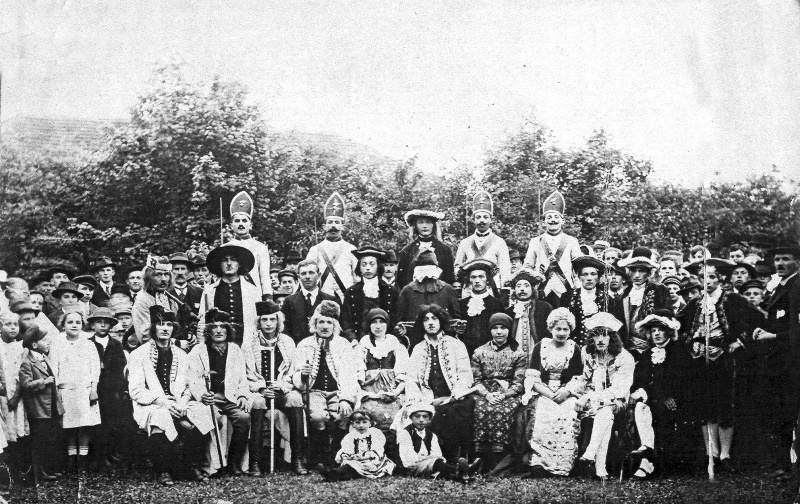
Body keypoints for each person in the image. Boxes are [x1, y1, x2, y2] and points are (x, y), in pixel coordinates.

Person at [680, 257, 761, 474]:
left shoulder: (733, 300)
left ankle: (725, 454)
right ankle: (711, 453)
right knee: (705, 404)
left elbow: (756, 318)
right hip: (700, 359)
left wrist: (740, 341)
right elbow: (681, 327)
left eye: (711, 277)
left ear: (720, 279)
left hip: (724, 357)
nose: (706, 282)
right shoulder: (695, 303)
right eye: (702, 277)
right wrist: (692, 342)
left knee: (725, 403)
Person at [128, 305, 213, 485]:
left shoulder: (182, 355)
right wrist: (164, 403)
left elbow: (190, 386)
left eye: (169, 324)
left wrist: (182, 402)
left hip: (179, 402)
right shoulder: (138, 354)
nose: (165, 328)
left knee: (201, 412)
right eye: (160, 324)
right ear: (153, 328)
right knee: (160, 417)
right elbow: (136, 390)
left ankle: (190, 465)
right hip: (151, 403)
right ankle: (163, 470)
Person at [749, 240, 800, 481]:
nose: (780, 263)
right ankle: (783, 464)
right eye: (777, 259)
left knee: (790, 413)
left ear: (797, 262)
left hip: (793, 361)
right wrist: (763, 330)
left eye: (785, 259)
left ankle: (791, 465)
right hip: (778, 362)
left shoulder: (797, 286)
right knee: (779, 413)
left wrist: (774, 336)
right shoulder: (781, 286)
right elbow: (776, 320)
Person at [241, 300, 307, 475]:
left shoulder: (288, 342)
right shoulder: (248, 344)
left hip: (282, 389)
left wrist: (281, 387)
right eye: (264, 320)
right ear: (258, 322)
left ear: (278, 321)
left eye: (272, 319)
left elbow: (293, 372)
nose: (269, 324)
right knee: (257, 403)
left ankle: (297, 459)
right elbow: (246, 375)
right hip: (259, 391)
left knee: (295, 399)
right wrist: (262, 389)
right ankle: (255, 462)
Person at [292, 301, 359, 466]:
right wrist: (303, 375)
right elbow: (296, 377)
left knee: (344, 415)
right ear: (314, 324)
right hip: (314, 392)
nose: (325, 326)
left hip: (337, 392)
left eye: (329, 322)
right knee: (318, 417)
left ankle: (336, 454)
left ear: (335, 325)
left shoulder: (343, 345)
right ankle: (319, 456)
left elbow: (349, 375)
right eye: (321, 322)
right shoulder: (304, 345)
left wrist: (345, 399)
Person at [188, 308, 253, 476]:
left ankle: (233, 462)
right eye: (214, 327)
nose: (218, 330)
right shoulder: (198, 351)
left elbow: (242, 378)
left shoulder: (235, 350)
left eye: (222, 326)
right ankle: (208, 463)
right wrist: (202, 394)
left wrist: (243, 395)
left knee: (243, 418)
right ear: (208, 331)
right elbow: (193, 378)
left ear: (228, 329)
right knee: (213, 418)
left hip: (229, 398)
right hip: (209, 399)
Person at [628, 309, 691, 480]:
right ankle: (647, 453)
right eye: (653, 330)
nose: (656, 334)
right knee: (640, 407)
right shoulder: (647, 354)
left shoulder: (679, 352)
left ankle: (649, 462)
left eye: (660, 330)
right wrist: (645, 392)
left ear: (669, 331)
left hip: (677, 400)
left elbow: (682, 381)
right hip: (654, 398)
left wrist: (667, 396)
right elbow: (641, 380)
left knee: (660, 411)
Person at [406, 304, 473, 462]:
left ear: (441, 321)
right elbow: (411, 380)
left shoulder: (456, 345)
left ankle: (458, 459)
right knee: (435, 414)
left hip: (455, 398)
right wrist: (423, 401)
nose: (430, 323)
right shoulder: (418, 349)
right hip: (428, 399)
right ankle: (442, 461)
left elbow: (465, 374)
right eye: (426, 319)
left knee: (454, 413)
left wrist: (453, 396)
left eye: (434, 318)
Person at [523, 308, 584, 477]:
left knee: (568, 412)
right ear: (550, 328)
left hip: (566, 392)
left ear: (570, 330)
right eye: (558, 329)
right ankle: (540, 463)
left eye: (566, 329)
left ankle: (562, 463)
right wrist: (549, 394)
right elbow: (532, 377)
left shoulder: (574, 348)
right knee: (544, 413)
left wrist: (566, 391)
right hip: (544, 390)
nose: (562, 333)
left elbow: (579, 377)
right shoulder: (540, 346)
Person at [575, 313, 636, 480]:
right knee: (605, 415)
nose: (600, 339)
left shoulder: (624, 358)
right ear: (591, 338)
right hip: (594, 401)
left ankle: (591, 452)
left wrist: (589, 397)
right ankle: (600, 470)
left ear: (613, 337)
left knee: (607, 408)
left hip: (617, 401)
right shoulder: (588, 354)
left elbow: (619, 389)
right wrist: (581, 394)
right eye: (596, 335)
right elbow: (585, 379)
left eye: (605, 335)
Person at [470, 312, 526, 473]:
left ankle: (500, 459)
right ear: (490, 330)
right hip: (484, 392)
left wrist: (504, 395)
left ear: (509, 330)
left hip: (508, 392)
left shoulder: (518, 353)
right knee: (480, 408)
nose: (499, 332)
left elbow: (519, 382)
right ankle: (480, 458)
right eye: (495, 328)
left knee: (504, 410)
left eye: (503, 328)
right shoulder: (479, 352)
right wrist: (486, 394)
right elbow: (475, 380)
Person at [50, 310, 101, 474]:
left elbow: (95, 369)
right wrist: (57, 393)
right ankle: (71, 458)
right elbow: (54, 369)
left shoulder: (88, 344)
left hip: (85, 391)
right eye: (70, 322)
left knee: (85, 425)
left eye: (78, 322)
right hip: (66, 391)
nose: (74, 325)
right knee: (69, 426)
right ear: (63, 325)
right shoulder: (57, 344)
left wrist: (93, 390)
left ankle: (83, 459)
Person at [356, 308, 408, 462]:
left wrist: (395, 393)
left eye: (381, 322)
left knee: (395, 416)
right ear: (369, 325)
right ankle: (371, 456)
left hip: (392, 392)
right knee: (368, 415)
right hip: (368, 392)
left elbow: (404, 377)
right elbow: (357, 377)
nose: (378, 326)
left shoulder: (396, 346)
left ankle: (394, 457)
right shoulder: (362, 347)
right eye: (374, 322)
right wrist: (368, 394)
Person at [88, 307, 133, 468]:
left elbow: (121, 369)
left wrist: (119, 389)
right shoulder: (87, 344)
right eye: (99, 322)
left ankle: (109, 453)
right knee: (94, 423)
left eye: (106, 323)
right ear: (92, 325)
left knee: (110, 421)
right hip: (93, 389)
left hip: (111, 390)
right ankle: (95, 456)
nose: (102, 325)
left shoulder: (116, 345)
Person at [523, 190, 582, 308]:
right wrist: (535, 277)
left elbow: (578, 268)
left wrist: (578, 289)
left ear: (562, 221)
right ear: (544, 222)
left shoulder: (572, 241)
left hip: (566, 290)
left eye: (556, 217)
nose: (553, 220)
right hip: (542, 290)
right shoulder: (535, 241)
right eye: (549, 217)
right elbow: (527, 267)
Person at [19, 327, 61, 482]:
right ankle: (39, 472)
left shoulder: (44, 358)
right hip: (38, 408)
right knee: (39, 441)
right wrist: (44, 381)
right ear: (34, 345)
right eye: (44, 340)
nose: (48, 342)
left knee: (49, 439)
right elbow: (25, 385)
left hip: (50, 407)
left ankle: (48, 469)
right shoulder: (27, 362)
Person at [395, 250, 461, 348]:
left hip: (444, 342)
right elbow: (399, 320)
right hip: (414, 342)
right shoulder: (407, 291)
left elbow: (456, 318)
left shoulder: (447, 289)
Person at [396, 402, 476, 482]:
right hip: (412, 468)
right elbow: (409, 460)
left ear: (429, 419)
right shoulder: (405, 433)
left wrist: (431, 459)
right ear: (411, 418)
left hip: (430, 465)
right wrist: (428, 458)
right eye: (417, 416)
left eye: (425, 416)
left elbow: (438, 455)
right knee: (436, 464)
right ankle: (464, 471)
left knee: (440, 468)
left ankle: (460, 474)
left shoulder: (431, 435)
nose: (421, 420)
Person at [198, 244, 260, 345]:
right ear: (219, 264)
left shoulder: (252, 290)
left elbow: (258, 322)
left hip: (245, 342)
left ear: (239, 264)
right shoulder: (209, 291)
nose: (229, 263)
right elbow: (202, 321)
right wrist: (202, 345)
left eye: (233, 260)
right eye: (225, 260)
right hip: (218, 344)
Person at [618, 247, 671, 357]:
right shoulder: (623, 295)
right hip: (628, 349)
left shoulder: (660, 290)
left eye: (641, 271)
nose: (637, 275)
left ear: (649, 272)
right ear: (629, 271)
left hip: (654, 347)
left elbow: (667, 318)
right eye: (633, 270)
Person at [454, 190, 512, 290]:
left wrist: (504, 291)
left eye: (485, 217)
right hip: (470, 288)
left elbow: (505, 270)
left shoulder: (499, 242)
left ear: (491, 219)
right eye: (478, 217)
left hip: (492, 289)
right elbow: (457, 267)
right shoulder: (465, 242)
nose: (482, 220)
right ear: (474, 219)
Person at [305, 192, 358, 301]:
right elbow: (307, 275)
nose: (333, 226)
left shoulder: (351, 249)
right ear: (324, 226)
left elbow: (357, 277)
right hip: (322, 298)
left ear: (342, 226)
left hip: (346, 299)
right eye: (330, 222)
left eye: (337, 222)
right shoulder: (315, 250)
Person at [341, 245, 399, 343]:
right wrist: (353, 340)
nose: (368, 268)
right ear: (359, 267)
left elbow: (395, 319)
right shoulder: (351, 292)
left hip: (385, 341)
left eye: (372, 264)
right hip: (358, 341)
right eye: (364, 265)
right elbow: (346, 321)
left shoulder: (390, 291)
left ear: (378, 266)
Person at [317, 409, 395, 481]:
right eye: (357, 422)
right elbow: (346, 448)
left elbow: (377, 448)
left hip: (372, 461)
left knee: (356, 468)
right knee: (350, 466)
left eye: (364, 422)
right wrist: (346, 455)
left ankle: (334, 475)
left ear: (370, 423)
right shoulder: (351, 436)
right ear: (353, 424)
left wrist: (365, 457)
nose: (361, 425)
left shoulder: (375, 433)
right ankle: (333, 475)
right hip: (356, 461)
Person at [226, 191, 274, 300]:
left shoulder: (260, 248)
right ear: (231, 226)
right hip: (231, 296)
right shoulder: (225, 248)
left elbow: (264, 277)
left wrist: (268, 298)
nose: (241, 224)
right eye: (237, 221)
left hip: (253, 296)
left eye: (244, 221)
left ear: (250, 225)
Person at [563, 255, 617, 347]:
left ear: (599, 277)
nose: (589, 278)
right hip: (573, 346)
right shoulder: (567, 297)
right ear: (579, 277)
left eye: (593, 274)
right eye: (585, 274)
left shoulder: (607, 299)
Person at [0, 311, 29, 481]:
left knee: (18, 429)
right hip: (2, 395)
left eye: (15, 324)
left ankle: (20, 471)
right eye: (8, 324)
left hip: (18, 395)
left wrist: (17, 395)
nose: (12, 328)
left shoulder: (21, 348)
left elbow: (22, 373)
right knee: (5, 430)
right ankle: (7, 471)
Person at [281, 260, 339, 344]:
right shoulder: (289, 301)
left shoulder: (330, 300)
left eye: (311, 273)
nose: (307, 277)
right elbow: (284, 328)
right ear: (298, 277)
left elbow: (337, 328)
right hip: (297, 347)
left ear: (318, 275)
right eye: (303, 273)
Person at [457, 259, 505, 356]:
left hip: (491, 352)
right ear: (469, 280)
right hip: (466, 352)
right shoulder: (461, 304)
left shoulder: (497, 304)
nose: (477, 281)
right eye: (473, 277)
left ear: (487, 279)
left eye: (481, 276)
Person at [396, 209, 456, 289]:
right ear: (415, 226)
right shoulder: (407, 251)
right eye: (420, 222)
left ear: (434, 225)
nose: (425, 226)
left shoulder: (444, 250)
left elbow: (449, 278)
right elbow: (401, 279)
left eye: (428, 222)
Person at [505, 267, 552, 363]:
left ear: (532, 289)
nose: (522, 289)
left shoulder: (544, 307)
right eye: (518, 286)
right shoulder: (509, 312)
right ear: (514, 290)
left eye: (526, 286)